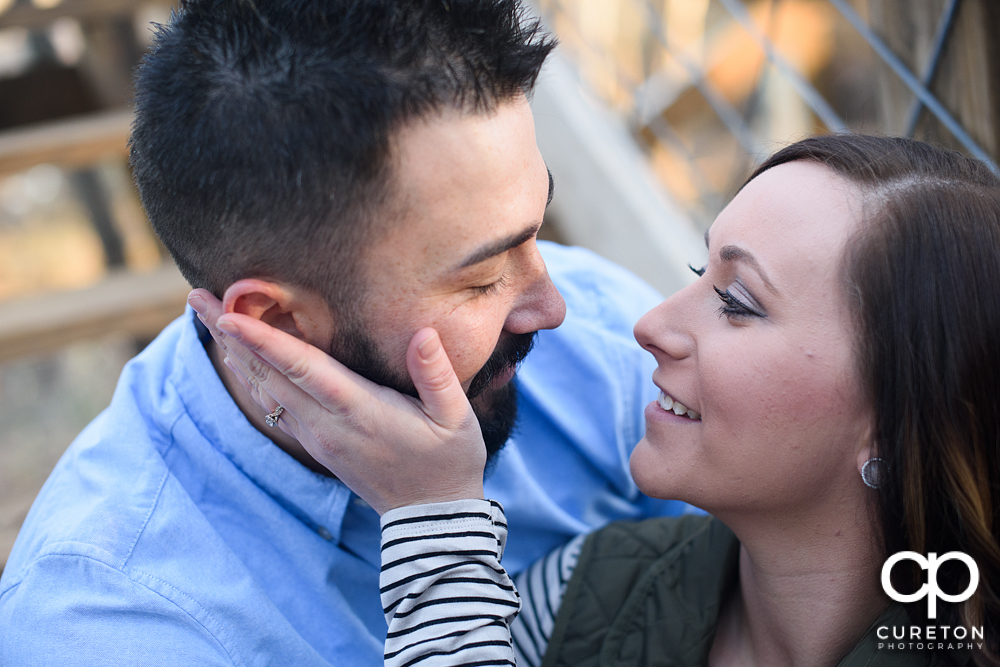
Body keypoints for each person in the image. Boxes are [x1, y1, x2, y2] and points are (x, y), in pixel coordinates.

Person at [0, 1, 688, 664]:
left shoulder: (598, 330)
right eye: (480, 278)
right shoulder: (112, 621)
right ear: (276, 325)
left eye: (535, 230)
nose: (553, 304)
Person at [206, 134, 1000, 667]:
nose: (651, 325)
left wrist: (438, 524)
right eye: (698, 271)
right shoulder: (588, 591)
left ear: (899, 419)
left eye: (738, 301)